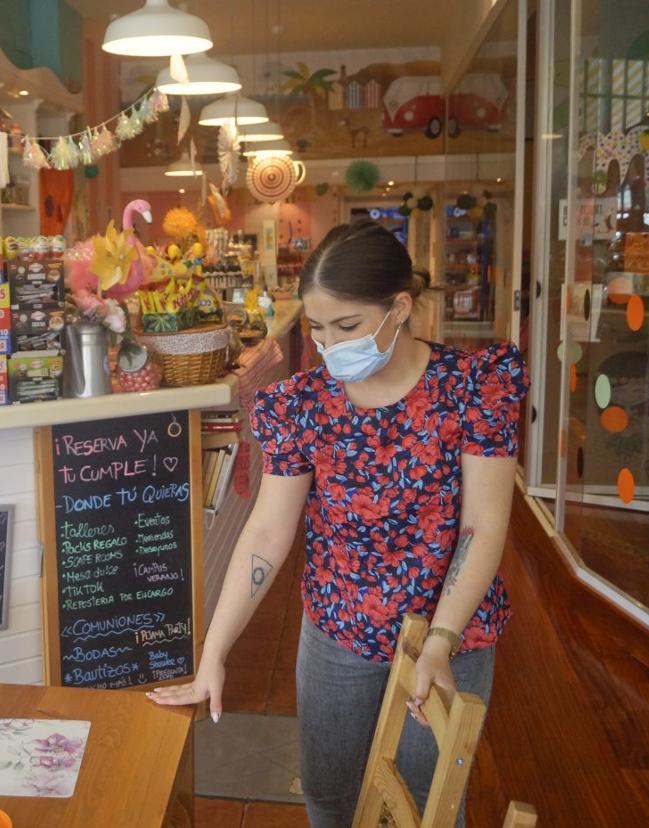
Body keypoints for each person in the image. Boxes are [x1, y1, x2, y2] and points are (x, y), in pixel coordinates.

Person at [149, 220, 528, 827]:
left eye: (347, 327)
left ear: (399, 307)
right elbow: (269, 532)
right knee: (329, 795)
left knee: (427, 804)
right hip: (338, 630)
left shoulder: (474, 388)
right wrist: (213, 653)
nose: (329, 346)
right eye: (317, 329)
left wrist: (440, 640)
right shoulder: (300, 403)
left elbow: (483, 526)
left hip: (449, 630)